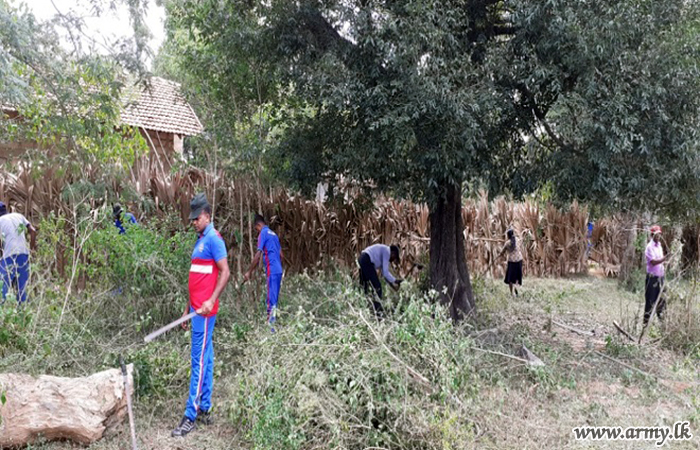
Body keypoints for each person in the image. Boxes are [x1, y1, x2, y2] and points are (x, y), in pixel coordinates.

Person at [171, 193, 230, 438]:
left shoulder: (214, 240)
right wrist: (187, 307)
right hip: (195, 311)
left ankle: (190, 416)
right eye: (192, 219)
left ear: (207, 215)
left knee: (198, 361)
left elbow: (225, 272)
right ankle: (204, 408)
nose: (194, 222)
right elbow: (196, 278)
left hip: (205, 313)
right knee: (206, 358)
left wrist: (210, 300)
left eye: (197, 218)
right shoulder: (199, 240)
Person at [244, 214, 283, 332]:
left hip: (272, 269)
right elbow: (282, 255)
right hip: (279, 269)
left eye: (256, 229)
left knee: (271, 301)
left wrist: (249, 272)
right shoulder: (274, 235)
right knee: (274, 300)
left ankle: (272, 331)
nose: (257, 232)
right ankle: (273, 327)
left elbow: (257, 255)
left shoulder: (263, 233)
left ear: (259, 225)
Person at [0, 202, 37, 305]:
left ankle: (3, 317)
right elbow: (33, 231)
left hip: (8, 257)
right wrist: (32, 250)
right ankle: (23, 317)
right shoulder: (18, 216)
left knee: (2, 291)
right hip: (23, 255)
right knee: (22, 292)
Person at [358, 244, 402, 316]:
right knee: (377, 287)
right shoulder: (387, 252)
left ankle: (363, 309)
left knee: (364, 287)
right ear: (393, 253)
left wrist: (393, 286)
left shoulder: (383, 251)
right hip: (367, 260)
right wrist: (395, 280)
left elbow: (384, 275)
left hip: (362, 258)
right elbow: (385, 273)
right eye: (394, 258)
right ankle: (378, 313)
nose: (393, 260)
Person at [644, 225, 669, 326]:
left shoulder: (659, 246)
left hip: (660, 278)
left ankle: (662, 325)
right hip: (652, 279)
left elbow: (661, 260)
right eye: (656, 234)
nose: (658, 236)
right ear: (652, 235)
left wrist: (665, 261)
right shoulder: (649, 247)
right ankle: (645, 325)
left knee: (662, 301)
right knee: (650, 302)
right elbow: (653, 262)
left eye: (659, 234)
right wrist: (665, 258)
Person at [499, 229, 523, 297]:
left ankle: (512, 293)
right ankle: (516, 287)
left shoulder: (507, 243)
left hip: (511, 261)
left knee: (510, 278)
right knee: (518, 276)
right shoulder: (517, 240)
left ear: (508, 235)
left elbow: (502, 252)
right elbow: (520, 242)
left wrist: (500, 254)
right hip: (519, 260)